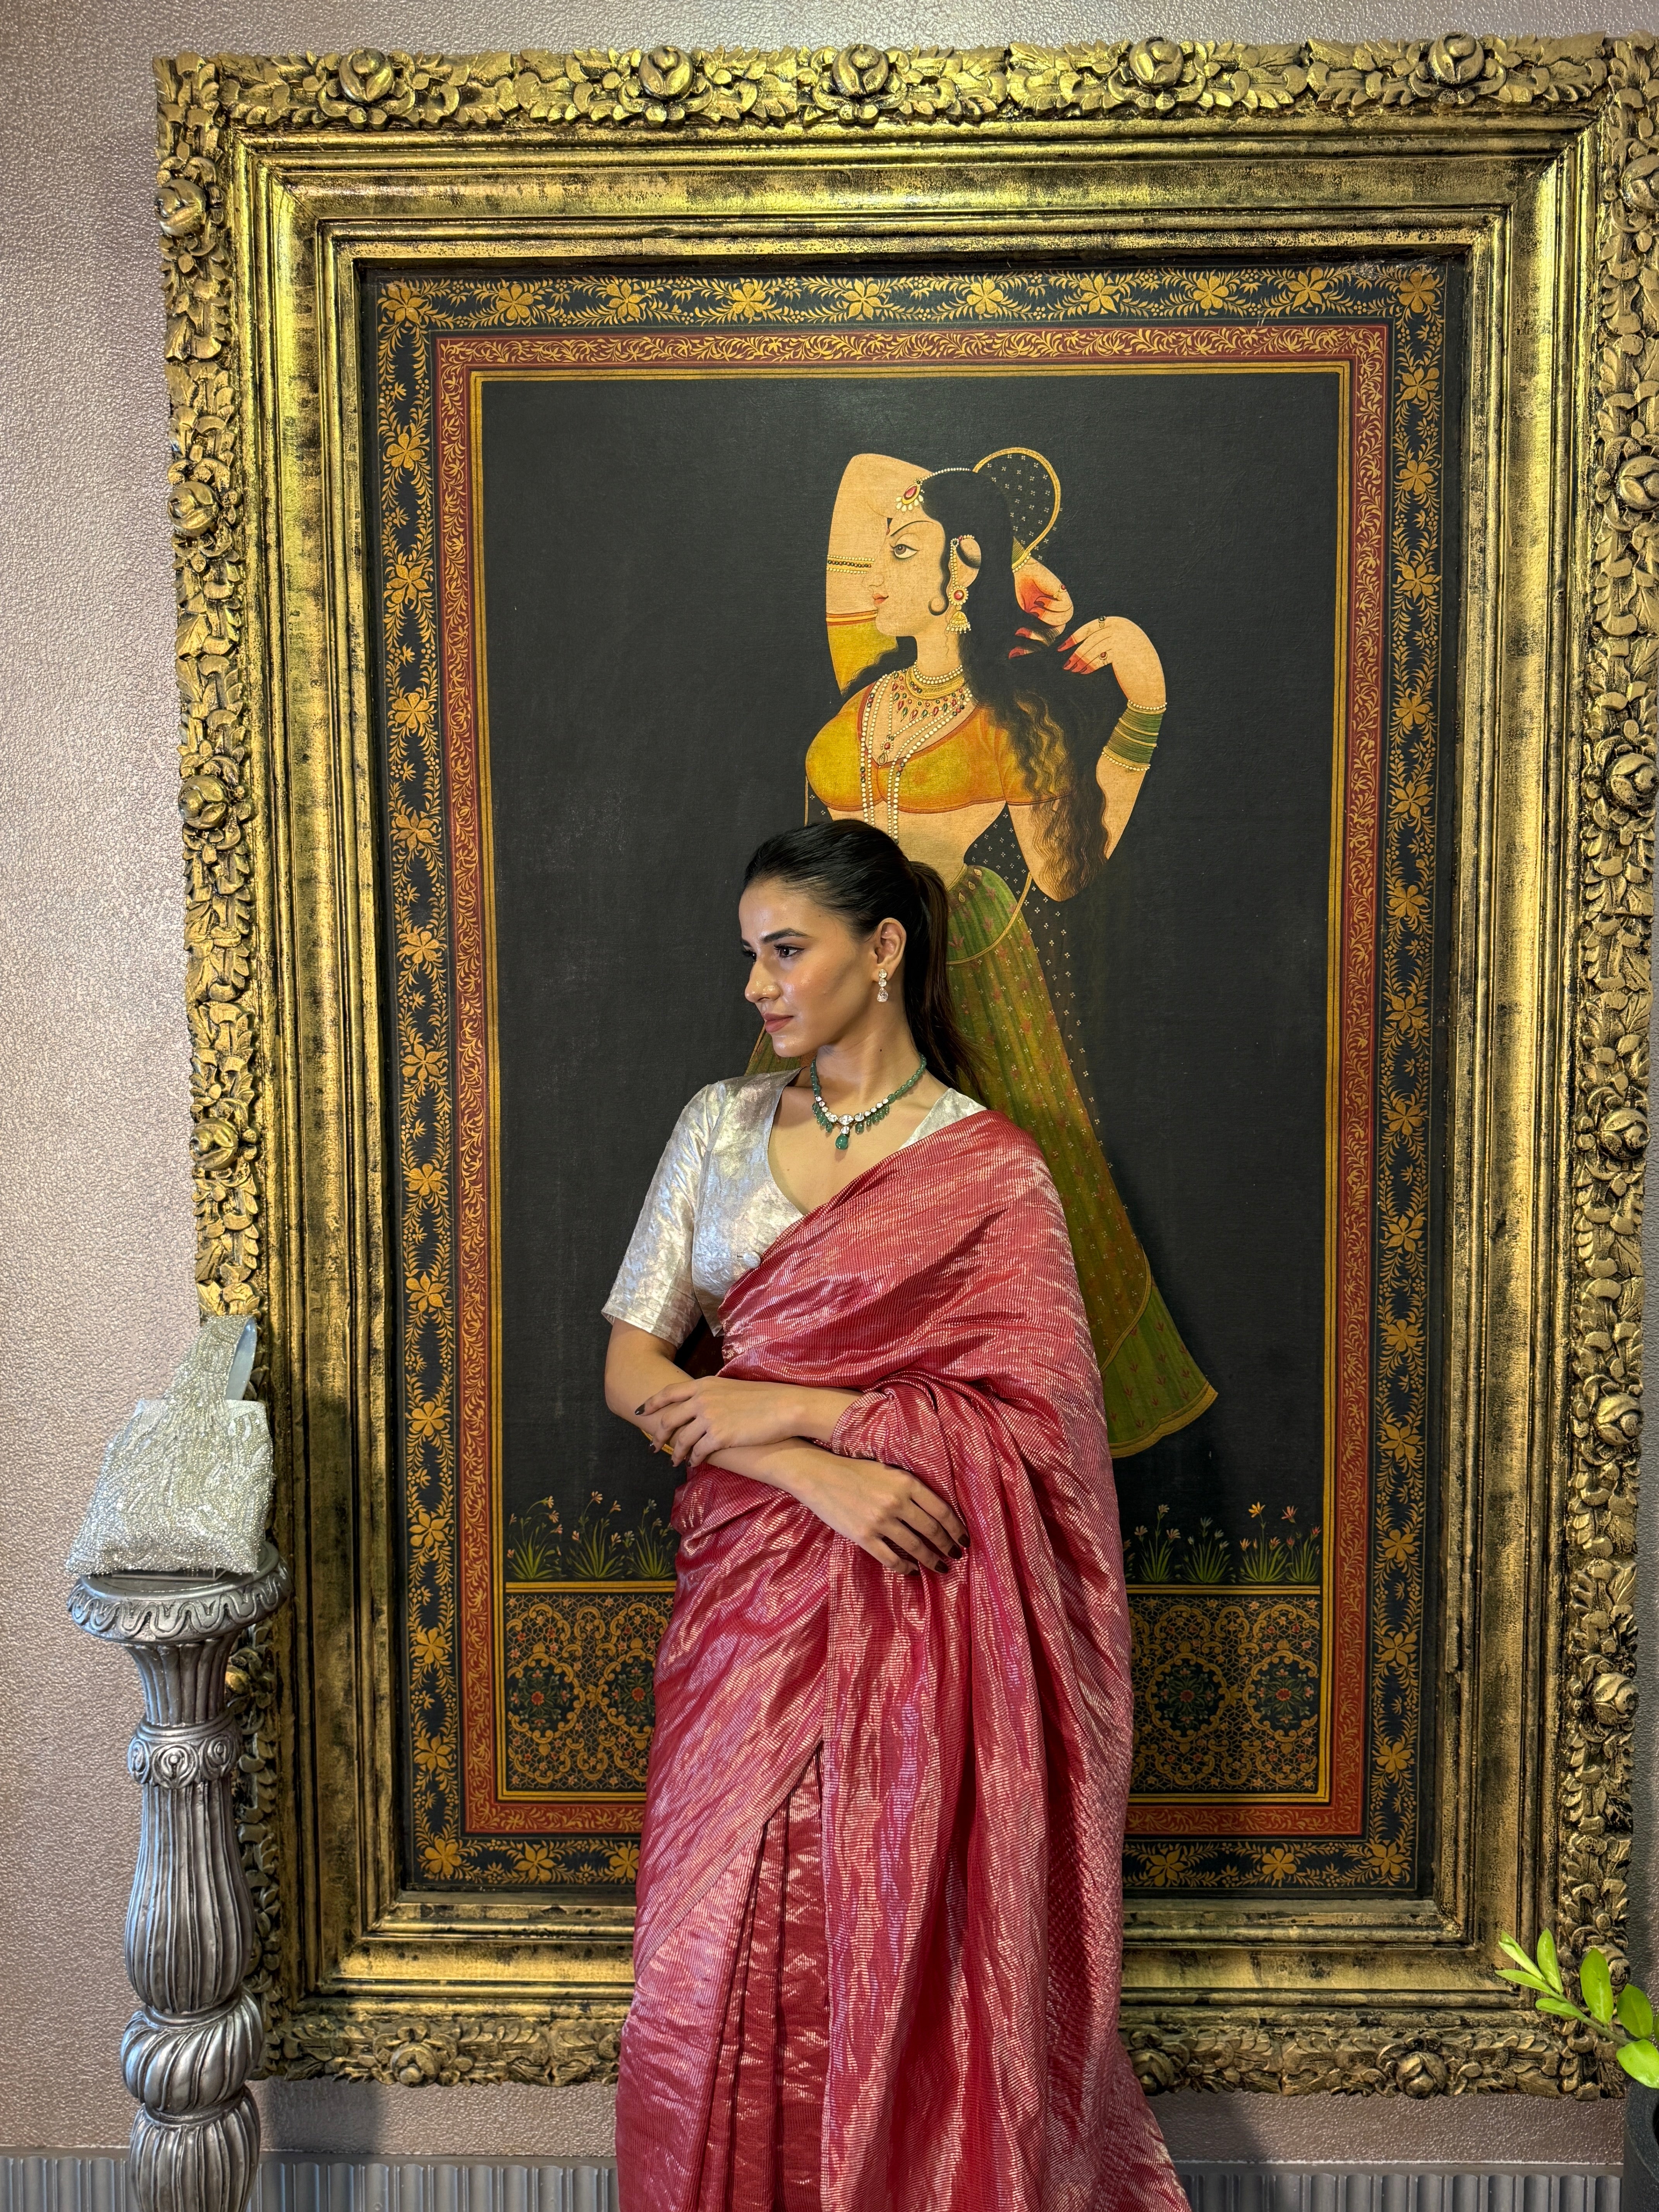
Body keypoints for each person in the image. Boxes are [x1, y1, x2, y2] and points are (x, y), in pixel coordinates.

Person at [604, 819, 1187, 2211]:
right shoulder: (720, 1127)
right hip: (746, 1619)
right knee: (704, 1963)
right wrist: (804, 1464)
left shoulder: (991, 1174)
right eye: (750, 955)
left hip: (925, 1636)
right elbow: (636, 1367)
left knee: (905, 1950)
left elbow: (1047, 1448)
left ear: (883, 951)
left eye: (786, 950)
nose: (758, 983)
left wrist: (810, 1411)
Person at [750, 453, 1214, 1457]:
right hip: (840, 1001)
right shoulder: (851, 718)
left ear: (962, 572)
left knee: (967, 1251)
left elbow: (1063, 873)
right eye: (878, 555)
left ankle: (951, 1444)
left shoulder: (1015, 721)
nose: (878, 580)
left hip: (963, 985)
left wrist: (1143, 710)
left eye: (902, 553)